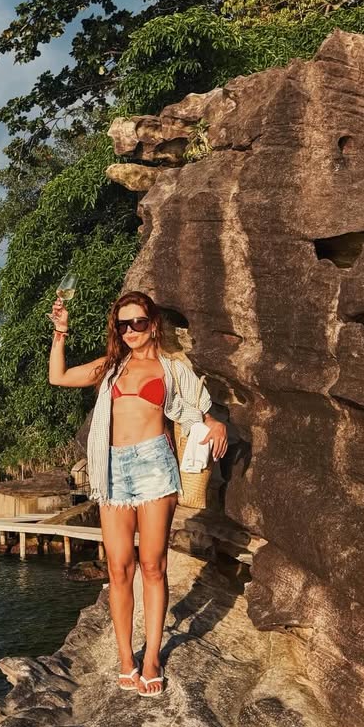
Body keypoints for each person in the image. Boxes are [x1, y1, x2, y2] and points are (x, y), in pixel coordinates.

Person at [49, 289, 228, 697]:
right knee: (118, 569)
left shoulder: (171, 368)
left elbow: (199, 407)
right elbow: (59, 377)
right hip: (111, 468)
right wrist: (60, 332)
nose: (130, 330)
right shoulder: (111, 367)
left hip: (154, 466)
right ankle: (126, 657)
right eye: (122, 325)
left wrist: (214, 423)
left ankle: (151, 660)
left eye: (138, 322)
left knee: (152, 565)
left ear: (153, 324)